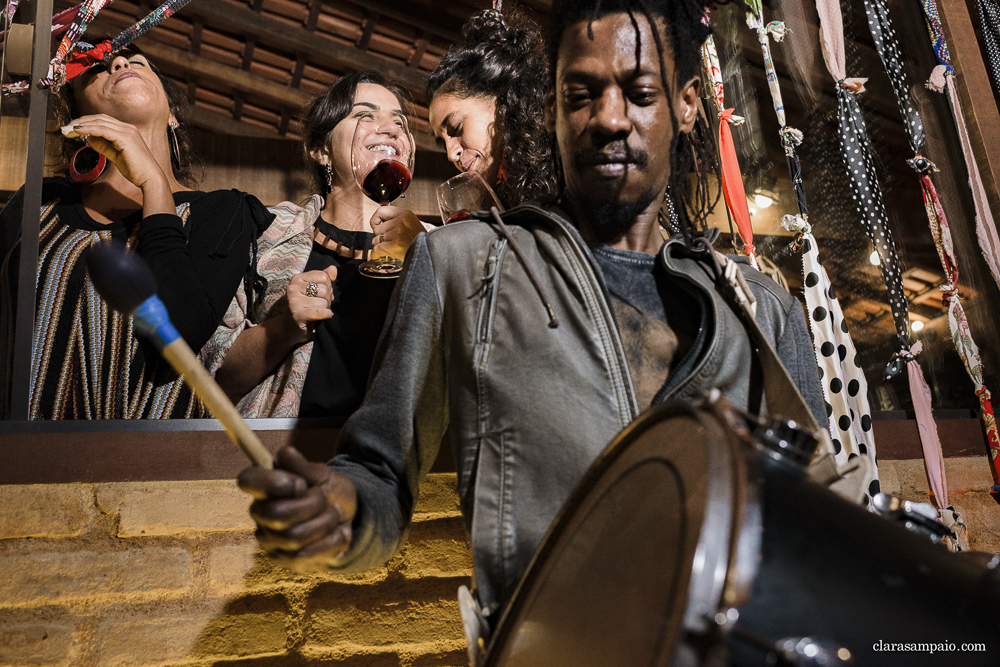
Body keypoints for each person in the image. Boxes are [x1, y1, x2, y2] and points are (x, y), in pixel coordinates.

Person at [239, 0, 828, 631]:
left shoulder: (757, 306)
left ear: (686, 105)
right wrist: (344, 511)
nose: (607, 118)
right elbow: (379, 472)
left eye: (640, 91)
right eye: (581, 94)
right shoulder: (458, 265)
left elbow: (816, 527)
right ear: (549, 109)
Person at [0, 42, 272, 419]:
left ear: (172, 114)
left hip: (146, 466)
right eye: (99, 67)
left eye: (136, 61)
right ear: (80, 119)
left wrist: (153, 184)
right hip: (19, 458)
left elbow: (180, 333)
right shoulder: (41, 201)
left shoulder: (222, 210)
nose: (121, 62)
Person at [202, 72, 426, 419]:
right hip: (281, 459)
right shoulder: (266, 232)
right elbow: (211, 380)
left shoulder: (437, 244)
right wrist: (285, 328)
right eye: (365, 115)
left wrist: (429, 259)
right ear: (321, 150)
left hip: (399, 463)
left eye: (399, 122)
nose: (391, 128)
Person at [427, 8, 555, 206]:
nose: (451, 154)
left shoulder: (563, 163)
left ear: (500, 101)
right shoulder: (510, 197)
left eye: (457, 127)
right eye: (443, 143)